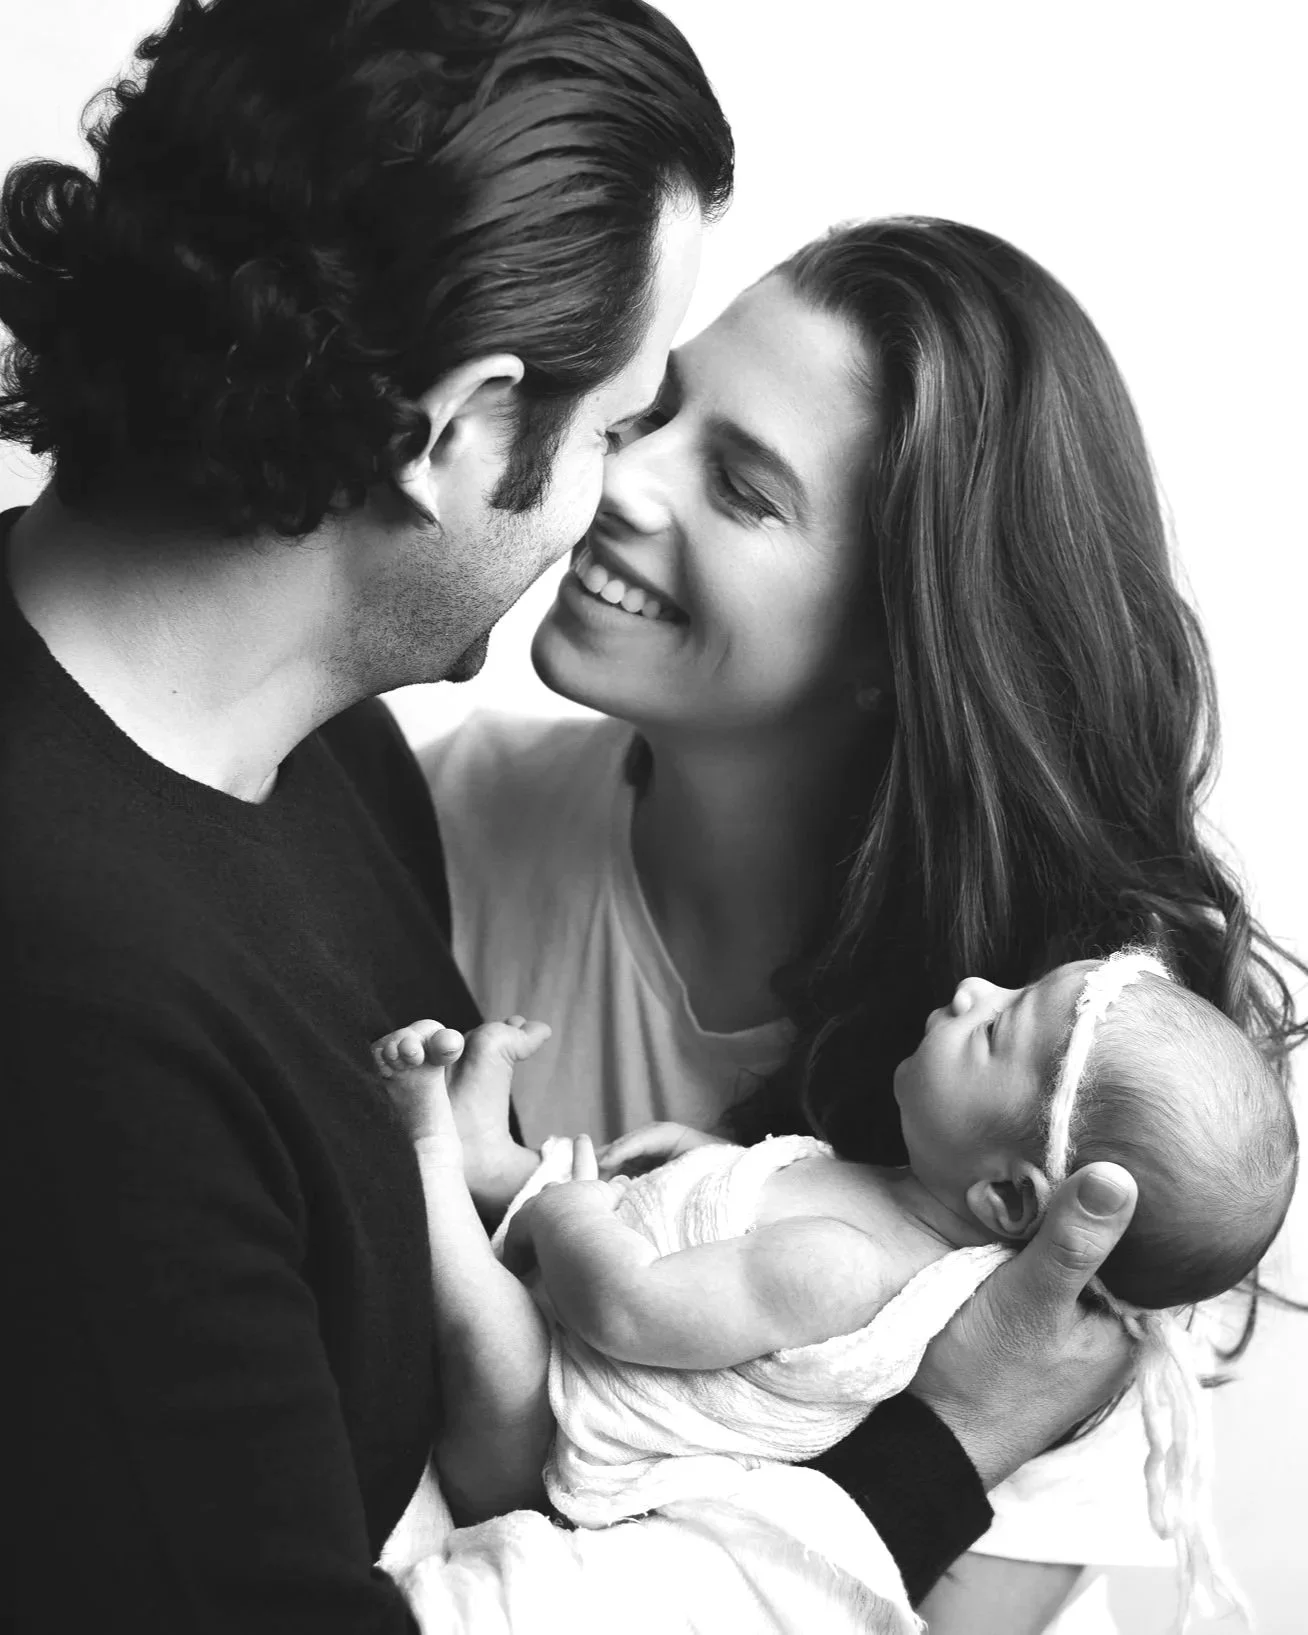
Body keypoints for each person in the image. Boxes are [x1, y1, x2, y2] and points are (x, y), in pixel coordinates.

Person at [1, 8, 1135, 1633]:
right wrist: (941, 1449)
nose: (618, 489)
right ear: (461, 429)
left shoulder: (336, 772)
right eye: (618, 422)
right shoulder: (74, 1006)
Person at [424, 217, 1307, 1632]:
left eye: (744, 488)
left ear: (903, 647)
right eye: (658, 405)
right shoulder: (437, 825)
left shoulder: (1101, 1108)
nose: (617, 476)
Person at [376, 946, 1297, 1631]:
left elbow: (628, 1310)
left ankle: (429, 1154)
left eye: (994, 1030)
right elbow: (751, 1227)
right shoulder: (884, 1198)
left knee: (500, 1341)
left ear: (1010, 1197)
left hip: (543, 1438)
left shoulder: (850, 1267)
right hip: (596, 1291)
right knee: (584, 1197)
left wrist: (569, 1209)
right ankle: (495, 1161)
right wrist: (710, 1170)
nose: (976, 988)